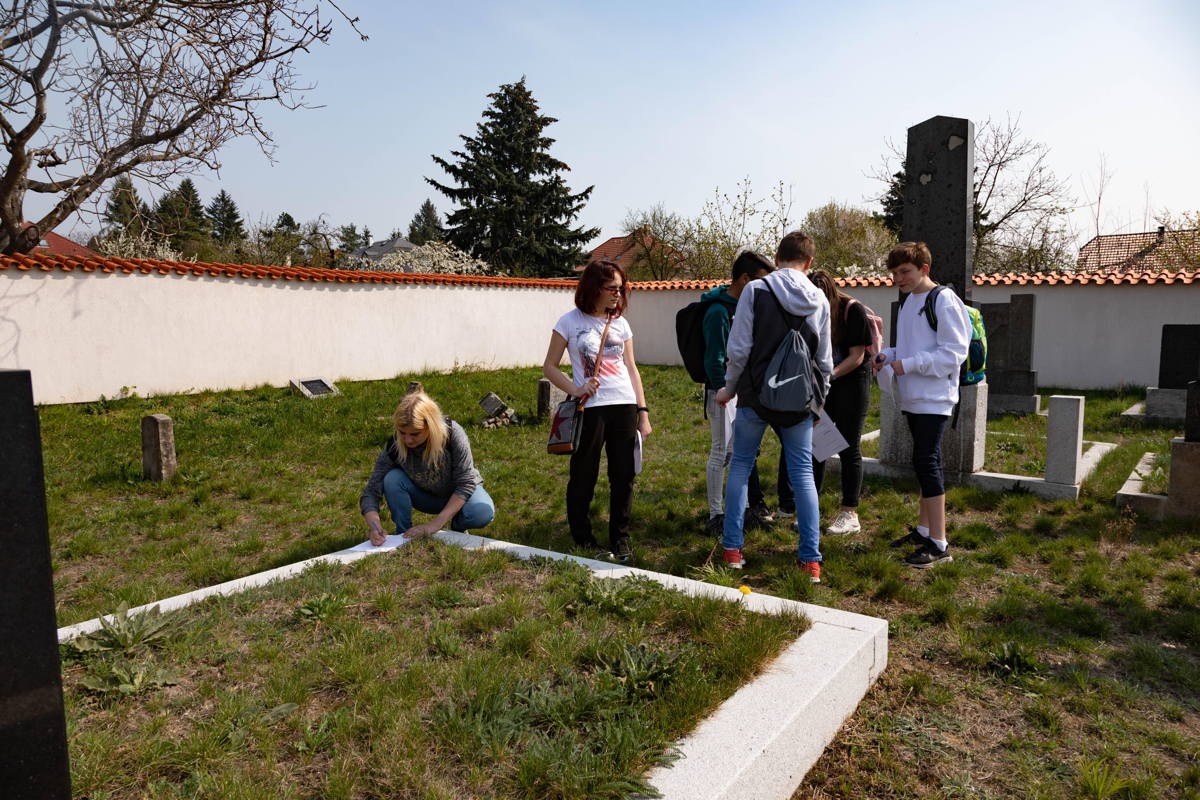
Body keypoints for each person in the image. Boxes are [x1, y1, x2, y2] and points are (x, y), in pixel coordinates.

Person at [715, 232, 832, 582]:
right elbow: (824, 361)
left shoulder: (756, 290)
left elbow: (739, 349)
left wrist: (729, 388)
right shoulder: (820, 300)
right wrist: (818, 402)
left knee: (740, 466)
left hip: (755, 395)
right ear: (809, 263)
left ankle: (733, 549)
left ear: (778, 257)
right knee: (803, 475)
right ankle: (810, 560)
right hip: (799, 400)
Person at [542, 259, 652, 562]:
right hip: (591, 408)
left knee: (624, 475)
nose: (618, 294)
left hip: (624, 405)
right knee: (583, 474)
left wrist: (642, 412)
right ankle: (582, 536)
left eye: (621, 288)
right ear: (594, 288)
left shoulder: (621, 323)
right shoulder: (569, 321)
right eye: (611, 288)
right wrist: (575, 389)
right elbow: (549, 366)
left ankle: (620, 538)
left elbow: (632, 369)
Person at [872, 241, 970, 569]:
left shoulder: (942, 299)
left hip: (936, 397)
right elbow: (913, 347)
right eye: (895, 273)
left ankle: (940, 544)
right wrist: (890, 355)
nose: (898, 278)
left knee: (928, 463)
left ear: (924, 269)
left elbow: (954, 352)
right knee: (924, 461)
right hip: (914, 395)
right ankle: (925, 530)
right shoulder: (909, 303)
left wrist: (909, 364)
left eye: (905, 272)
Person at [700, 249, 786, 538]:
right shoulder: (717, 312)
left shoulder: (749, 307)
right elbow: (714, 359)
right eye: (761, 280)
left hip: (745, 391)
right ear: (745, 279)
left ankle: (745, 510)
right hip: (723, 393)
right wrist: (725, 393)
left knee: (742, 455)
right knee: (720, 452)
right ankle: (716, 514)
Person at [360, 389, 495, 544]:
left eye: (415, 434)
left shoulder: (452, 433)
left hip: (461, 495)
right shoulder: (395, 446)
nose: (407, 440)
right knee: (392, 479)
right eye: (402, 433)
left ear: (430, 426)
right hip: (427, 497)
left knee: (481, 512)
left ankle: (458, 527)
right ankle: (403, 536)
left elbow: (466, 482)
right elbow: (371, 491)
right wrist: (375, 526)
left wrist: (435, 524)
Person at [809, 270, 872, 535]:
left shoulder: (852, 310)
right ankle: (811, 507)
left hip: (851, 381)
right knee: (819, 446)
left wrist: (830, 375)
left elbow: (857, 356)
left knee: (848, 445)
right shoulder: (809, 309)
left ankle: (850, 513)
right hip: (825, 383)